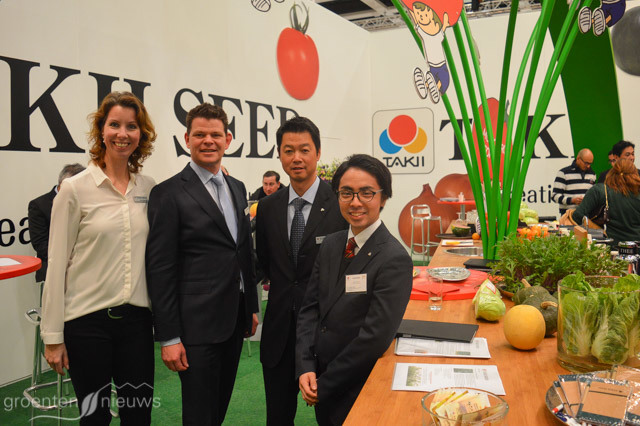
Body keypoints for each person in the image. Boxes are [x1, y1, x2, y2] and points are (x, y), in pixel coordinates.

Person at [40, 91, 157, 425]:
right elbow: (56, 263)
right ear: (101, 130)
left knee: (139, 417)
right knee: (95, 419)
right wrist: (53, 337)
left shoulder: (148, 188)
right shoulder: (74, 189)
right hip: (87, 325)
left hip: (137, 324)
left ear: (141, 134)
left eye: (132, 126)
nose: (123, 133)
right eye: (114, 124)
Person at [145, 103, 259, 426]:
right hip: (194, 328)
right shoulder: (167, 193)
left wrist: (251, 306)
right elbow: (160, 269)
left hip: (234, 320)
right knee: (199, 414)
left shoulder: (237, 187)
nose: (208, 141)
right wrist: (168, 337)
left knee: (218, 409)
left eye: (215, 135)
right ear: (187, 139)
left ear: (228, 140)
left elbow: (242, 252)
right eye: (199, 134)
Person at [296, 154, 413, 426]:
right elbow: (310, 309)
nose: (355, 202)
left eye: (366, 193)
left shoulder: (394, 258)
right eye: (346, 193)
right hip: (320, 376)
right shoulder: (331, 244)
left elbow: (374, 338)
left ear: (383, 198)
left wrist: (326, 383)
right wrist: (305, 366)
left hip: (359, 387)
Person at [255, 117, 347, 425]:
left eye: (304, 150)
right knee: (277, 417)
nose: (296, 158)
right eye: (288, 150)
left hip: (327, 333)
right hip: (279, 334)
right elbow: (265, 263)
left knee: (332, 417)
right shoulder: (268, 207)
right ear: (279, 154)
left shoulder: (340, 204)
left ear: (318, 153)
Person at [27, 163, 85, 283]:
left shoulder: (88, 202)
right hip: (54, 270)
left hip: (86, 269)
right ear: (63, 184)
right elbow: (41, 244)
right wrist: (72, 259)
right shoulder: (39, 205)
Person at [573, 158, 640, 245]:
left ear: (611, 172)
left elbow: (577, 216)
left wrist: (596, 229)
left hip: (608, 246)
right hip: (636, 247)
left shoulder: (599, 191)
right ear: (635, 174)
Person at [551, 148, 596, 216]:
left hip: (587, 215)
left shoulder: (592, 174)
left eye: (590, 163)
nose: (588, 166)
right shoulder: (563, 173)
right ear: (578, 159)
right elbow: (554, 196)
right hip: (568, 215)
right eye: (586, 163)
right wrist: (572, 200)